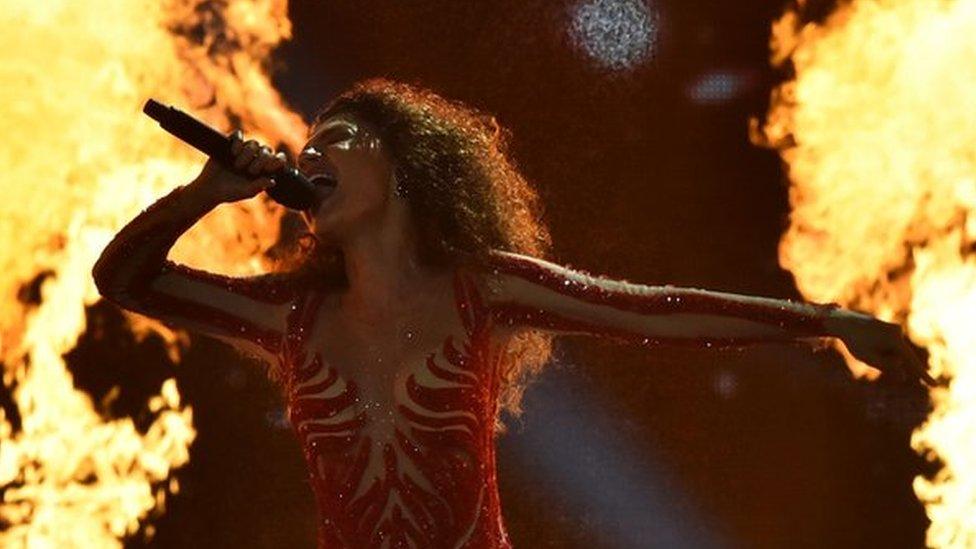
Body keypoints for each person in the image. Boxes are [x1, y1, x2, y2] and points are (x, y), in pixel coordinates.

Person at [92, 78, 934, 549]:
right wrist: (206, 190)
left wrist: (824, 318)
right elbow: (124, 279)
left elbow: (655, 311)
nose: (310, 155)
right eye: (306, 148)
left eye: (339, 139)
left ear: (407, 169)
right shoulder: (290, 315)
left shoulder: (480, 288)